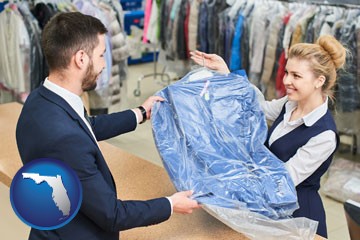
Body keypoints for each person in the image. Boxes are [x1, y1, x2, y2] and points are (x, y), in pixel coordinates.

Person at [16, 12, 199, 240]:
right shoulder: (65, 141)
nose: (104, 65)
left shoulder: (40, 100)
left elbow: (85, 126)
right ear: (81, 58)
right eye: (102, 55)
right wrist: (170, 204)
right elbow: (112, 215)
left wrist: (140, 113)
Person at [190, 35, 347, 238]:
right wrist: (226, 73)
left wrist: (230, 183)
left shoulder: (324, 134)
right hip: (269, 207)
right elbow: (259, 106)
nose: (287, 81)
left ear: (319, 81)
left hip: (297, 218)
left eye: (296, 76)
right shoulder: (290, 104)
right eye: (287, 73)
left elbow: (284, 180)